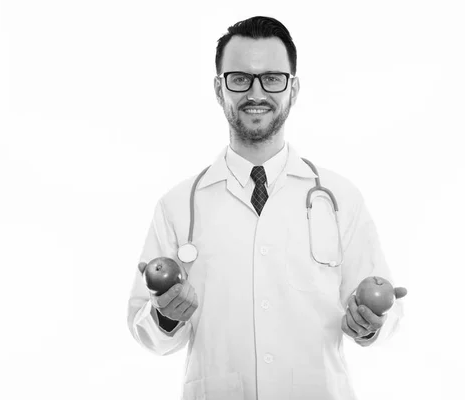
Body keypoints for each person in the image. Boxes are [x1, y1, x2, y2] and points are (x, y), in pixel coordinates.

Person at [127, 16, 407, 400]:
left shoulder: (340, 198)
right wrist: (165, 315)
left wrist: (371, 324)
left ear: (293, 89)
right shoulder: (177, 205)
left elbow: (386, 314)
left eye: (272, 78)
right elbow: (145, 332)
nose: (256, 93)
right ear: (218, 88)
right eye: (239, 78)